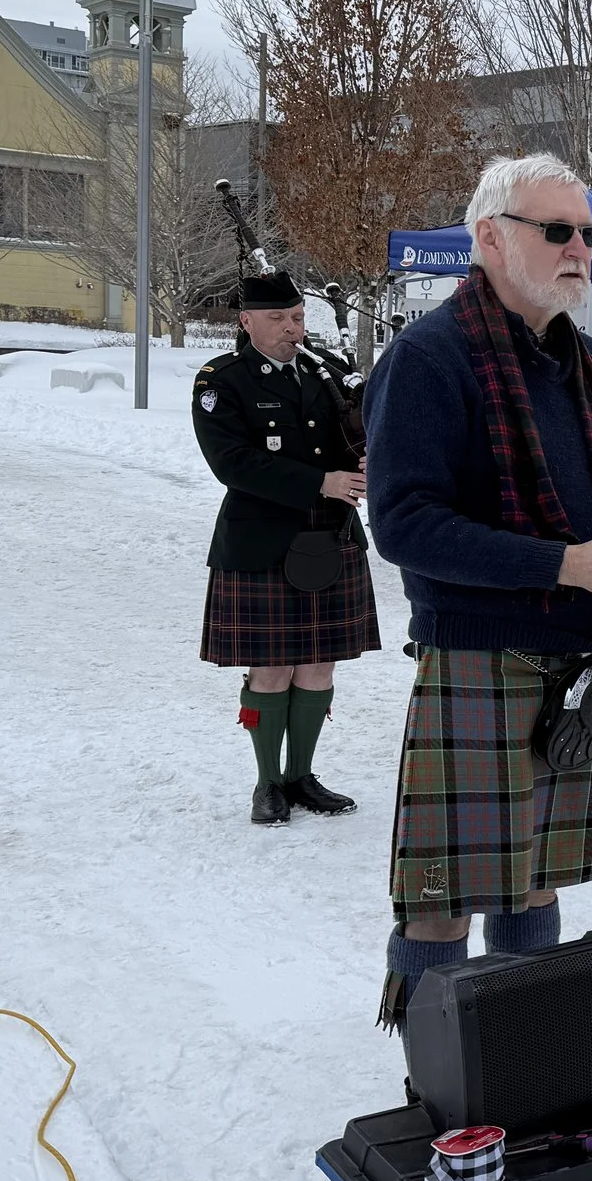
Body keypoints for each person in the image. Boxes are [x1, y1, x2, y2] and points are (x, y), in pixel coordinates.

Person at [362, 152, 592, 1027]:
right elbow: (403, 524)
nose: (581, 247)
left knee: (535, 876)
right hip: (477, 656)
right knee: (447, 889)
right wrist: (563, 564)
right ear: (490, 237)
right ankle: (438, 1085)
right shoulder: (430, 358)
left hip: (581, 655)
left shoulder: (591, 367)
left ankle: (520, 1054)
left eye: (589, 232)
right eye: (558, 230)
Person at [193, 270, 382, 825]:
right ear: (246, 321)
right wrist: (320, 481)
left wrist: (372, 459)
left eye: (297, 317)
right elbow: (232, 463)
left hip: (330, 536)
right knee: (271, 669)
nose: (290, 328)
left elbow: (359, 430)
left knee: (319, 667)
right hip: (261, 541)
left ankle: (301, 774)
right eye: (277, 318)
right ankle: (266, 781)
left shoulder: (326, 372)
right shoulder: (221, 381)